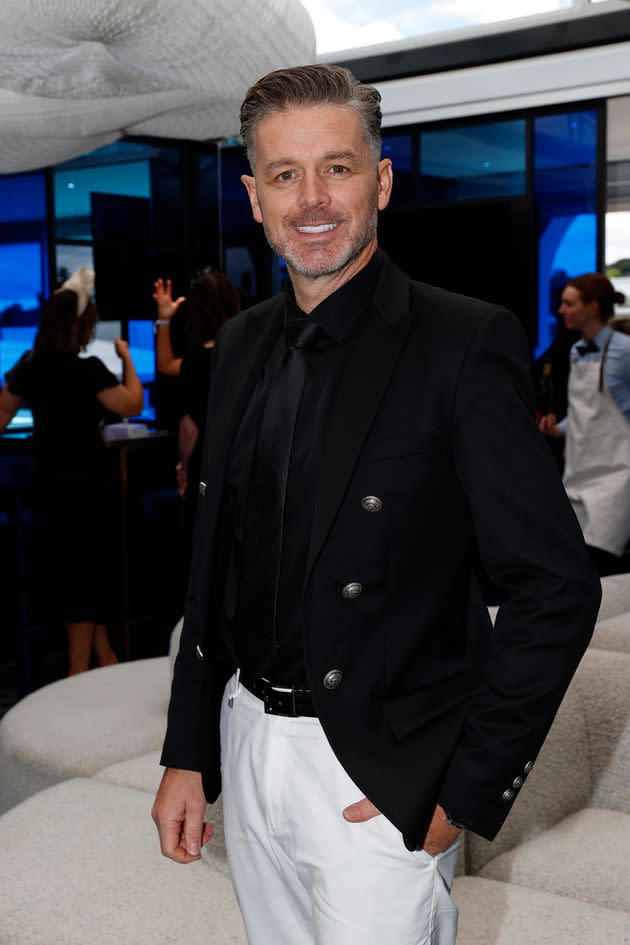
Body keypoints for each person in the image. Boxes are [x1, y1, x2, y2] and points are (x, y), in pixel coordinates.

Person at [152, 65, 600, 945]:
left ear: (381, 181)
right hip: (247, 741)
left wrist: (461, 789)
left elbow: (556, 586)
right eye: (285, 174)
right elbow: (211, 568)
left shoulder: (465, 342)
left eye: (338, 168)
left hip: (377, 765)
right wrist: (188, 748)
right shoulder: (238, 344)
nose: (312, 198)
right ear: (254, 195)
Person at [0, 267, 144, 675]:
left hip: (50, 486)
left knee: (72, 577)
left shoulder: (30, 367)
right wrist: (127, 357)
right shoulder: (87, 372)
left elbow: (1, 414)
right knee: (88, 579)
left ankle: (104, 657)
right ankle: (79, 676)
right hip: (89, 488)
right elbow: (132, 403)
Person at [539, 273, 629, 575]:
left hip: (616, 477)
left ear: (591, 307)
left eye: (568, 304)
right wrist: (559, 428)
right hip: (578, 472)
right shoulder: (576, 351)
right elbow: (585, 412)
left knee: (599, 565)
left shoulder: (624, 350)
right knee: (573, 562)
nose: (561, 310)